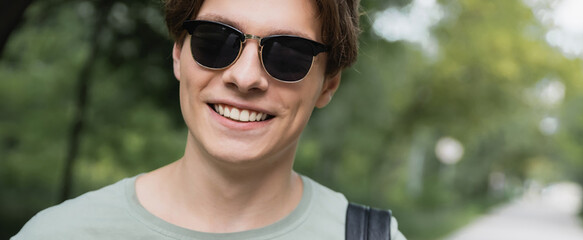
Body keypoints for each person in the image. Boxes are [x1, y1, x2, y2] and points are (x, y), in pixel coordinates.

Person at [13, 0, 405, 239]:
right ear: (178, 54)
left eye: (289, 54)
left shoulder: (368, 238)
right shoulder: (59, 234)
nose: (245, 77)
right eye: (215, 40)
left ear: (327, 85)